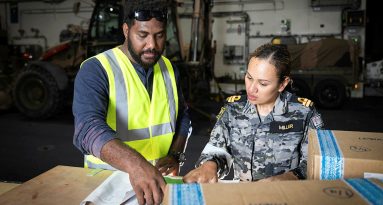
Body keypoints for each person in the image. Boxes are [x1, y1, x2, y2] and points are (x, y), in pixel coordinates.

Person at [72, 1, 191, 204]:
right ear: (126, 30)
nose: (152, 45)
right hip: (106, 186)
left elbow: (183, 116)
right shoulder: (96, 69)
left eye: (159, 35)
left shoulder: (170, 69)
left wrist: (175, 155)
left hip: (158, 182)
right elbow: (87, 130)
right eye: (142, 35)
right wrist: (136, 165)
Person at [183, 43, 324, 183]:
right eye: (249, 78)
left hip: (286, 195)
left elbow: (317, 161)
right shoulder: (233, 109)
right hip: (244, 195)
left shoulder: (304, 112)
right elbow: (217, 146)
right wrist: (209, 166)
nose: (251, 89)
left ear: (282, 84)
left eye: (263, 84)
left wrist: (290, 177)